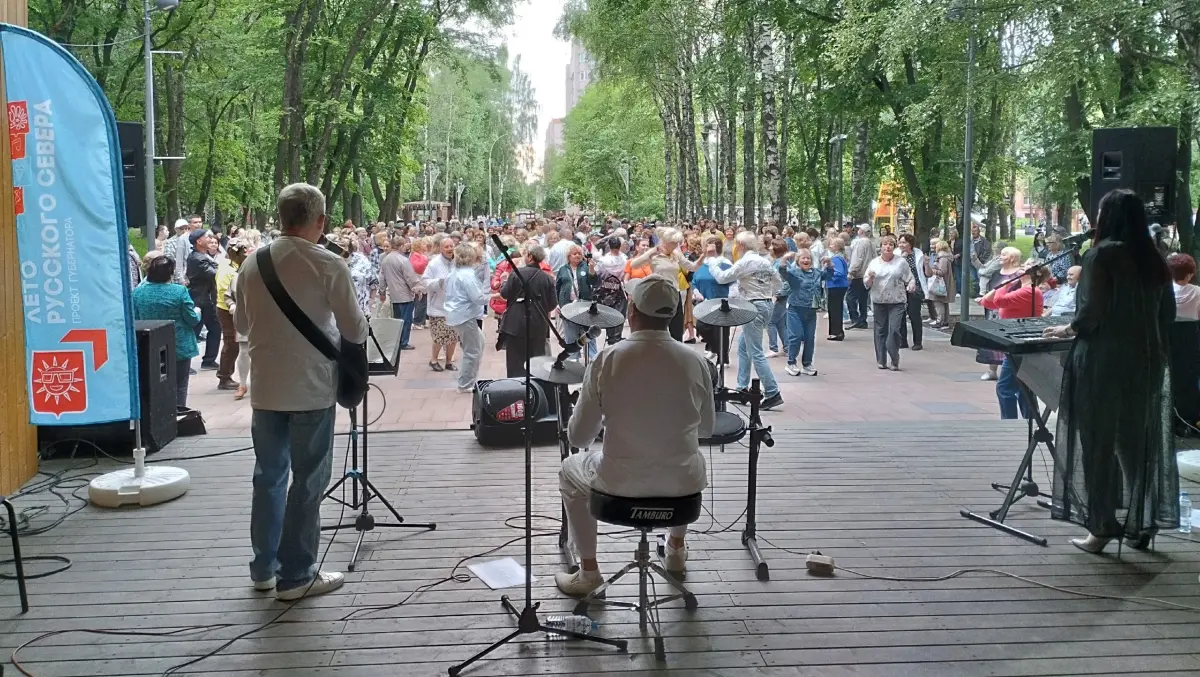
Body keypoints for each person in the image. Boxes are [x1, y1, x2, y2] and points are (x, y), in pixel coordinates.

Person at [234, 183, 368, 600]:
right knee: (308, 482)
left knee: (268, 478)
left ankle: (263, 569)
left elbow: (241, 325)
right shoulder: (327, 264)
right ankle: (297, 575)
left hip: (266, 390)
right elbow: (355, 329)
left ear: (280, 216)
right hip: (311, 389)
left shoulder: (251, 264)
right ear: (320, 221)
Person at [555, 275, 715, 595]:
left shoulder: (608, 358)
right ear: (672, 313)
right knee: (687, 458)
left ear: (631, 311)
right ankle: (676, 550)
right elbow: (707, 429)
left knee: (569, 469)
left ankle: (588, 572)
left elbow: (579, 438)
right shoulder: (696, 361)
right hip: (682, 492)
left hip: (618, 488)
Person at [1042, 189, 1178, 553]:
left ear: (1108, 217)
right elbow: (1167, 315)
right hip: (1147, 360)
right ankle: (1141, 523)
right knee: (1134, 444)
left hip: (1104, 360)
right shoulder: (1155, 259)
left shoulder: (1101, 255)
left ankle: (1101, 527)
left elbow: (1091, 313)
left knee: (1097, 442)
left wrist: (1066, 329)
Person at [707, 231, 784, 410]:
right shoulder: (765, 261)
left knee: (756, 351)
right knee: (743, 346)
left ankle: (772, 392)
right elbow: (778, 283)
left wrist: (711, 261)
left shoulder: (745, 261)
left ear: (741, 245)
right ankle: (742, 388)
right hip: (766, 304)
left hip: (753, 305)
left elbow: (722, 278)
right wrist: (766, 292)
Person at [982, 260, 1048, 419]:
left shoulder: (1030, 291)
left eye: (1026, 266)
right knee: (1023, 387)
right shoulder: (1021, 289)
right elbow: (988, 303)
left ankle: (1010, 423)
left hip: (1021, 343)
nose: (1021, 267)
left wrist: (1004, 286)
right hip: (1014, 342)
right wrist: (1004, 287)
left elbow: (999, 301)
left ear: (1036, 272)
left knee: (1005, 387)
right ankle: (1029, 421)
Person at [131, 256, 200, 408]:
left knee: (155, 385)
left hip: (149, 346)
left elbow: (135, 319)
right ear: (170, 273)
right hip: (179, 345)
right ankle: (179, 413)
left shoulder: (138, 293)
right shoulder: (179, 291)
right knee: (180, 384)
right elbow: (192, 319)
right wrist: (198, 312)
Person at [627, 227, 702, 341]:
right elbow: (634, 265)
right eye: (674, 243)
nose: (676, 245)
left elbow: (692, 267)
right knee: (658, 328)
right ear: (666, 242)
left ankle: (676, 350)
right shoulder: (654, 254)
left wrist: (703, 256)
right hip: (658, 294)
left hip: (674, 293)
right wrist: (651, 253)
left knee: (677, 330)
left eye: (677, 243)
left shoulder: (676, 254)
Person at [498, 244, 559, 377]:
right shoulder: (547, 278)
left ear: (530, 257)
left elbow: (504, 293)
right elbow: (552, 304)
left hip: (515, 324)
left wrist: (503, 282)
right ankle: (534, 387)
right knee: (536, 361)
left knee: (515, 362)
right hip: (538, 325)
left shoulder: (516, 274)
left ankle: (516, 386)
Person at [864, 235, 916, 371]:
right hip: (879, 300)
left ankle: (894, 357)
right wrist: (870, 278)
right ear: (880, 247)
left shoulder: (901, 262)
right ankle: (881, 360)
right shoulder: (874, 263)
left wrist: (911, 285)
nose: (887, 247)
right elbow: (867, 283)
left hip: (897, 300)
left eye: (891, 245)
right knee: (880, 330)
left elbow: (910, 278)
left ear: (894, 247)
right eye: (885, 244)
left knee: (894, 330)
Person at [443, 243, 490, 393]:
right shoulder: (467, 275)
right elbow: (477, 298)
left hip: (459, 314)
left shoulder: (455, 272)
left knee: (479, 342)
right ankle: (465, 384)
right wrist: (493, 297)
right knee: (472, 351)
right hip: (465, 316)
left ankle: (467, 379)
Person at [778, 249, 829, 376]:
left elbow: (828, 276)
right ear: (798, 261)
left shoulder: (817, 273)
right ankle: (791, 363)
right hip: (795, 308)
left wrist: (829, 264)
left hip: (811, 310)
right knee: (795, 336)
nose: (806, 260)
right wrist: (784, 259)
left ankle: (807, 364)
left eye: (808, 258)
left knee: (809, 338)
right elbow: (783, 272)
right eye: (803, 258)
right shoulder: (794, 273)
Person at [378, 235, 424, 350]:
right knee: (406, 320)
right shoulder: (403, 260)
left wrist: (382, 292)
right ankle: (404, 342)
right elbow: (410, 277)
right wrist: (417, 288)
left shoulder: (385, 260)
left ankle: (397, 341)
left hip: (393, 294)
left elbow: (382, 277)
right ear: (401, 246)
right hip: (405, 294)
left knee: (397, 319)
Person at [691, 236, 733, 363]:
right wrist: (696, 291)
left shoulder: (725, 263)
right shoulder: (703, 263)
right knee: (702, 327)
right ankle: (714, 348)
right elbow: (694, 280)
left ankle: (723, 359)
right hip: (704, 302)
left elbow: (732, 281)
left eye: (707, 245)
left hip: (720, 300)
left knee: (721, 331)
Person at [215, 240, 249, 391]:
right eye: (244, 252)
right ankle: (224, 377)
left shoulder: (234, 266)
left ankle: (226, 375)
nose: (246, 255)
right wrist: (232, 306)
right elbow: (224, 292)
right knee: (231, 344)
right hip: (227, 310)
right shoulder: (227, 269)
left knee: (234, 344)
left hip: (234, 309)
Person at [422, 234, 459, 372]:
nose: (449, 249)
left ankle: (449, 362)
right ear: (441, 248)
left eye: (451, 246)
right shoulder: (434, 263)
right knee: (439, 336)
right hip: (438, 306)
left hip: (455, 306)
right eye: (446, 247)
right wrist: (439, 282)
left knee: (453, 336)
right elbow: (425, 281)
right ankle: (434, 360)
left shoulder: (458, 261)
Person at [556, 244, 599, 360]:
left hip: (584, 305)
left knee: (588, 333)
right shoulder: (563, 269)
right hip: (568, 306)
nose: (577, 256)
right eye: (574, 254)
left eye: (579, 253)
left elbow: (594, 282)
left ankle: (592, 358)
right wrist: (557, 303)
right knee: (570, 334)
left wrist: (591, 269)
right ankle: (573, 358)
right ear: (569, 256)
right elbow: (557, 287)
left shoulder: (586, 266)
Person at [186, 228, 221, 370]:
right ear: (199, 241)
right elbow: (214, 274)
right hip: (201, 299)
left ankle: (208, 360)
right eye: (207, 237)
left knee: (214, 328)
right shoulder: (198, 258)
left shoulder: (202, 256)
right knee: (195, 330)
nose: (211, 239)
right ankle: (187, 363)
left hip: (204, 298)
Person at [592, 236, 628, 346]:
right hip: (620, 290)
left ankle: (611, 337)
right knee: (620, 314)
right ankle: (617, 336)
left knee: (610, 314)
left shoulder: (603, 261)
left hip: (606, 291)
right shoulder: (625, 259)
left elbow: (597, 274)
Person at [895, 233, 928, 351]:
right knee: (900, 315)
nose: (901, 245)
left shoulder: (918, 254)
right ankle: (902, 341)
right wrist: (901, 259)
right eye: (900, 242)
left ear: (910, 244)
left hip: (915, 288)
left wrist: (927, 264)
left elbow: (925, 273)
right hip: (900, 289)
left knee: (914, 315)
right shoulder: (896, 255)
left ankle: (917, 342)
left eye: (904, 242)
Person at [845, 225, 873, 329]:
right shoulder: (871, 242)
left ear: (862, 231)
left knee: (850, 297)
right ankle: (862, 319)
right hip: (867, 274)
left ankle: (855, 319)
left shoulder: (860, 242)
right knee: (863, 298)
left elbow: (858, 258)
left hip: (859, 274)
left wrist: (852, 271)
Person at [766, 240, 790, 358]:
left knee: (770, 321)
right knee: (781, 323)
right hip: (779, 296)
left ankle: (773, 348)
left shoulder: (781, 263)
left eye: (772, 246)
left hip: (779, 297)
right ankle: (787, 347)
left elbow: (786, 282)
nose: (769, 248)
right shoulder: (776, 261)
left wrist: (777, 294)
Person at [823, 236, 849, 340]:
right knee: (836, 309)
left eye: (832, 244)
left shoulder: (836, 259)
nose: (830, 246)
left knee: (834, 309)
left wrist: (829, 276)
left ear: (837, 247)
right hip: (838, 285)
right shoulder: (840, 257)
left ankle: (836, 332)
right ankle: (837, 331)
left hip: (836, 286)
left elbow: (839, 272)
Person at [925, 239, 956, 329]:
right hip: (945, 283)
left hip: (940, 285)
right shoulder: (946, 257)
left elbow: (942, 272)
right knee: (944, 303)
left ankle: (940, 321)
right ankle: (945, 321)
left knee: (938, 302)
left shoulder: (942, 258)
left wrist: (932, 270)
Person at [1168, 254, 1200, 321]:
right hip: (1193, 327)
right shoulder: (1198, 291)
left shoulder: (1166, 291)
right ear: (1188, 276)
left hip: (1169, 327)